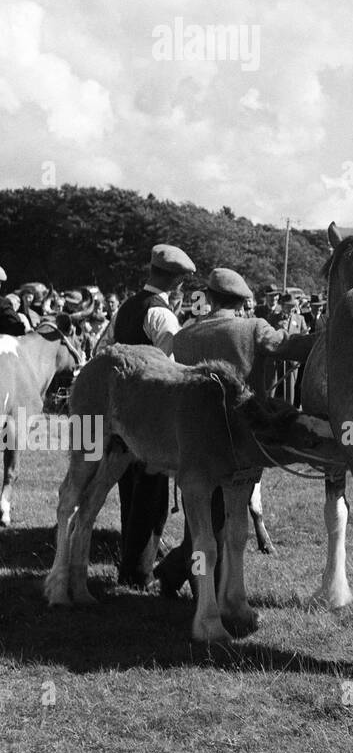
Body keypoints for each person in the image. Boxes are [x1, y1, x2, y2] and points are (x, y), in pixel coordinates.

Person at [157, 267, 316, 597]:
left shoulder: (184, 336)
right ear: (242, 301)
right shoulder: (252, 328)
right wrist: (331, 337)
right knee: (220, 524)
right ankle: (206, 590)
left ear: (210, 298)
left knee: (198, 523)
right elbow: (293, 347)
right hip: (239, 439)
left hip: (193, 439)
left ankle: (174, 575)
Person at [102, 243, 195, 588]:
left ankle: (133, 555)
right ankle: (138, 572)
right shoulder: (163, 315)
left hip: (120, 410)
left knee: (129, 487)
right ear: (177, 283)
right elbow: (169, 367)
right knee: (151, 493)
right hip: (151, 413)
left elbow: (109, 350)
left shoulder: (125, 308)